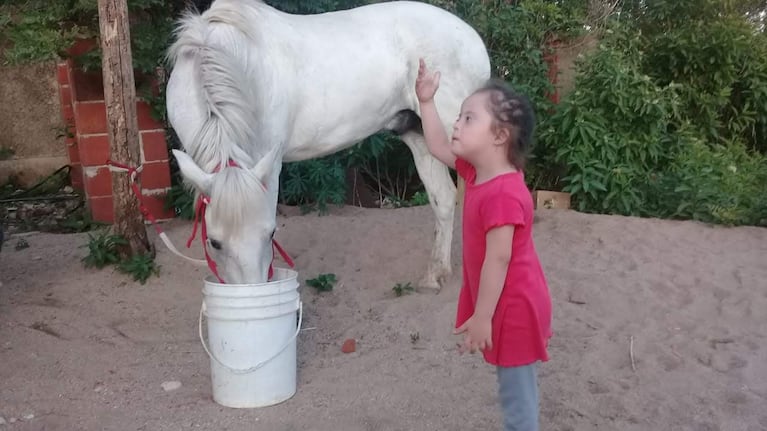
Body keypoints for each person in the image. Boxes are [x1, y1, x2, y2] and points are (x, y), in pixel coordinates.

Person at [415, 58, 552, 431]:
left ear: (499, 136)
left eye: (468, 118)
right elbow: (438, 145)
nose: (457, 123)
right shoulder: (478, 172)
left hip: (514, 307)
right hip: (502, 301)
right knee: (513, 389)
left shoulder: (504, 193)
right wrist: (426, 102)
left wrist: (482, 316)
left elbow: (499, 258)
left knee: (517, 400)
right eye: (459, 116)